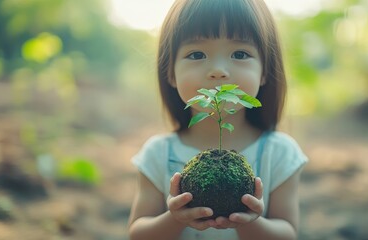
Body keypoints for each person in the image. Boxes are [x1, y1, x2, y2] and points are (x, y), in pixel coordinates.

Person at [128, 0, 308, 239]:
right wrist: (175, 217)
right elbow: (137, 233)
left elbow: (288, 233)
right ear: (170, 72)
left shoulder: (279, 153)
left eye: (240, 53)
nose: (218, 70)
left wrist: (245, 219)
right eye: (197, 54)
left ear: (264, 71)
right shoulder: (158, 154)